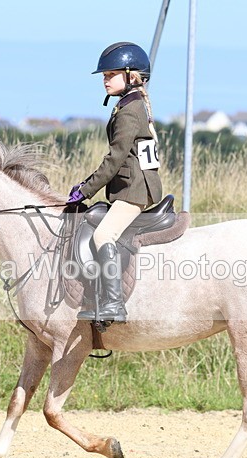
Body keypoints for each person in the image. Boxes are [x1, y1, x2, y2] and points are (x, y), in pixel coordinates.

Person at [67, 42, 163, 323]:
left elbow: (115, 159)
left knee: (103, 236)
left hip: (134, 190)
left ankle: (114, 304)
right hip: (133, 186)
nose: (105, 80)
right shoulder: (131, 104)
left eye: (111, 74)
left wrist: (85, 190)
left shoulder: (130, 111)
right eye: (105, 75)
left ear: (132, 76)